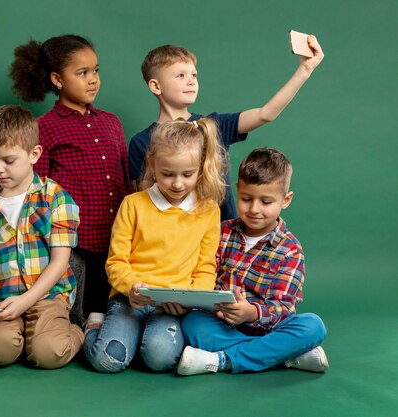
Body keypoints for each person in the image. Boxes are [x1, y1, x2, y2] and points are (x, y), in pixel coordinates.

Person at [9, 34, 134, 326]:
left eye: (95, 71)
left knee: (111, 310)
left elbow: (126, 179)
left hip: (116, 238)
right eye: (82, 73)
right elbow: (37, 191)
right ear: (57, 79)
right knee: (73, 314)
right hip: (72, 243)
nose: (93, 80)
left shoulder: (111, 123)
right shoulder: (45, 128)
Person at [129, 35, 324, 220]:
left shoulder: (215, 125)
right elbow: (146, 204)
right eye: (180, 75)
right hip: (176, 244)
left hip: (222, 239)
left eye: (194, 75)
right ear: (155, 86)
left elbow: (266, 113)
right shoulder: (142, 141)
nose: (191, 81)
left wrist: (304, 70)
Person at [83, 118, 226, 373]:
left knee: (159, 359)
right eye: (167, 174)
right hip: (130, 299)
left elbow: (205, 270)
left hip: (171, 307)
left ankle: (137, 339)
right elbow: (116, 261)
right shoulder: (133, 204)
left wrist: (188, 302)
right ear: (152, 164)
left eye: (187, 174)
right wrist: (131, 287)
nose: (177, 184)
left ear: (201, 168)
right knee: (107, 361)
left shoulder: (209, 211)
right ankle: (95, 326)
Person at [178, 148, 328, 376]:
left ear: (285, 200)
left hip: (268, 330)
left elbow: (285, 307)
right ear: (238, 191)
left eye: (266, 201)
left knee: (313, 326)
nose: (254, 209)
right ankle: (284, 356)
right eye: (246, 199)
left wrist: (252, 313)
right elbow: (202, 274)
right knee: (192, 322)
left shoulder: (290, 249)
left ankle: (221, 360)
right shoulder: (222, 232)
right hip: (222, 327)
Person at [0, 105, 83, 369]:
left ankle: (78, 330)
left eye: (8, 161)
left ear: (34, 154)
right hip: (2, 301)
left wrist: (26, 301)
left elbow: (59, 261)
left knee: (48, 354)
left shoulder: (55, 197)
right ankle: (20, 336)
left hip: (47, 296)